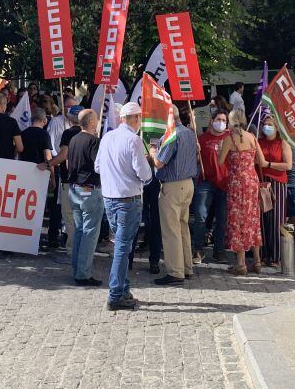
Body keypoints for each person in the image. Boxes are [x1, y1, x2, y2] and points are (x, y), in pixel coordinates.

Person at [95, 102, 153, 311]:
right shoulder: (134, 140)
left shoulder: (108, 137)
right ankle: (116, 292)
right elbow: (144, 173)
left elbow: (98, 166)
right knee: (122, 246)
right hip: (127, 198)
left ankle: (122, 289)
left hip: (110, 197)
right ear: (136, 118)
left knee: (122, 244)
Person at [148, 107, 200, 285]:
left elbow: (159, 162)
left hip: (173, 186)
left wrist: (153, 149)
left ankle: (176, 272)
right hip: (188, 184)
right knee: (182, 228)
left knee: (171, 230)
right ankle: (186, 267)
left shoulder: (172, 135)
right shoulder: (189, 133)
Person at [218, 109, 270, 275]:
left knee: (237, 221)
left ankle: (240, 263)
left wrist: (222, 150)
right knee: (252, 220)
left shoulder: (229, 139)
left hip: (236, 183)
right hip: (251, 182)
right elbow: (261, 162)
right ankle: (257, 261)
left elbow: (220, 161)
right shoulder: (253, 137)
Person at [56, 109, 104, 284]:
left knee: (79, 232)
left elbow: (67, 161)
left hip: (75, 189)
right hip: (89, 190)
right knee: (89, 234)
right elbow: (98, 166)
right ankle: (83, 274)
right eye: (96, 119)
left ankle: (77, 270)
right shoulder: (93, 141)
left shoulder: (73, 139)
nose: (98, 122)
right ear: (91, 122)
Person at [192, 110, 230, 264]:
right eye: (218, 119)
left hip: (225, 182)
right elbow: (195, 160)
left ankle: (219, 250)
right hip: (206, 182)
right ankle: (198, 250)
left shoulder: (229, 138)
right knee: (200, 216)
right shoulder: (202, 139)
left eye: (224, 120)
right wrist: (196, 152)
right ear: (212, 120)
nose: (221, 122)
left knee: (222, 219)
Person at [46, 106, 85, 254]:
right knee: (82, 217)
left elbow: (63, 155)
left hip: (70, 181)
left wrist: (49, 164)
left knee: (70, 216)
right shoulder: (92, 134)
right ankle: (83, 249)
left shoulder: (68, 133)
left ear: (69, 118)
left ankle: (73, 250)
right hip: (87, 182)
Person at [257, 119, 293, 266]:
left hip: (278, 182)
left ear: (277, 128)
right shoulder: (259, 142)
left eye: (271, 125)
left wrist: (269, 164)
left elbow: (288, 165)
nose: (267, 127)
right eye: (265, 124)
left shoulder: (282, 143)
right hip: (262, 182)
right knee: (263, 218)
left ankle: (276, 256)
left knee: (277, 219)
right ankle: (264, 253)